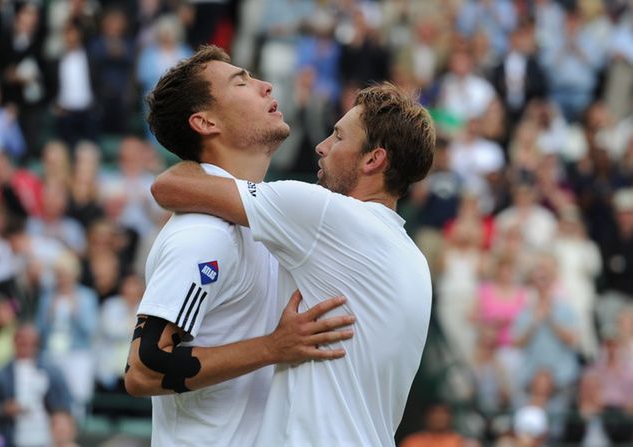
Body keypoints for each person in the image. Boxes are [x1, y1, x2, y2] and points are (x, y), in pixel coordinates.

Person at [151, 82, 436, 444]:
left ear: (372, 159)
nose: (322, 147)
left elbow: (170, 186)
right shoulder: (414, 259)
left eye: (338, 137)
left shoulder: (326, 215)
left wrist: (272, 346)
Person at [124, 45, 355, 447]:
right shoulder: (204, 234)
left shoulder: (263, 220)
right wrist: (273, 347)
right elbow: (143, 369)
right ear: (205, 122)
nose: (266, 86)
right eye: (241, 82)